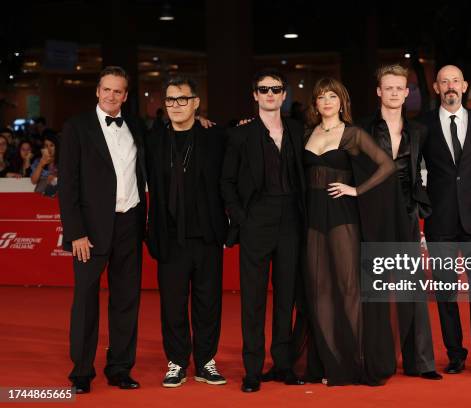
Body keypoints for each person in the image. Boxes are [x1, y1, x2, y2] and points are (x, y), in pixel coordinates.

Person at [58, 66, 147, 394]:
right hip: (90, 231)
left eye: (118, 91)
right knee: (85, 302)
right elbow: (67, 185)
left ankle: (120, 367)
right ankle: (81, 370)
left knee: (126, 301)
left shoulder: (136, 126)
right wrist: (75, 232)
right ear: (98, 91)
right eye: (106, 89)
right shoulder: (76, 127)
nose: (112, 96)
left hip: (129, 223)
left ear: (125, 95)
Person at [303, 77, 396, 385]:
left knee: (348, 290)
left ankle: (357, 365)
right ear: (315, 104)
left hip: (343, 217)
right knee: (319, 292)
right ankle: (332, 364)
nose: (327, 101)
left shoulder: (353, 134)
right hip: (313, 218)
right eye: (321, 97)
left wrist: (357, 190)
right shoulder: (308, 133)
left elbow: (386, 166)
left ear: (341, 101)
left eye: (332, 96)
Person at [220, 69, 306, 393]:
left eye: (276, 89)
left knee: (286, 296)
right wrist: (242, 218)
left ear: (284, 95)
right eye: (263, 89)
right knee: (253, 300)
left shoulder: (298, 131)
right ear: (255, 95)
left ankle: (282, 364)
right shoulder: (240, 135)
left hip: (291, 220)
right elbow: (226, 181)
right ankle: (252, 369)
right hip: (257, 219)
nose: (270, 93)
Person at [356, 64, 441, 381]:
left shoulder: (418, 130)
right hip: (371, 214)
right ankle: (374, 360)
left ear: (407, 93)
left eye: (399, 88)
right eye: (387, 87)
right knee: (373, 289)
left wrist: (421, 208)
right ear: (379, 91)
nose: (393, 93)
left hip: (406, 212)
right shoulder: (361, 128)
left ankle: (421, 362)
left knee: (412, 289)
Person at [145, 76, 228, 388]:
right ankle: (177, 361)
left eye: (182, 99)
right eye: (169, 100)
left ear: (196, 102)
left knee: (208, 303)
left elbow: (245, 140)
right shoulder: (154, 140)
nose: (175, 105)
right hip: (169, 236)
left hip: (206, 235)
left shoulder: (215, 136)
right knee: (173, 304)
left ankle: (206, 361)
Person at [420, 65, 471, 378]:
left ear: (464, 86)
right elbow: (411, 168)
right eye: (444, 82)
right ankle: (455, 355)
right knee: (445, 294)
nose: (450, 86)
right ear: (436, 87)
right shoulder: (423, 125)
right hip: (439, 221)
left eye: (455, 81)